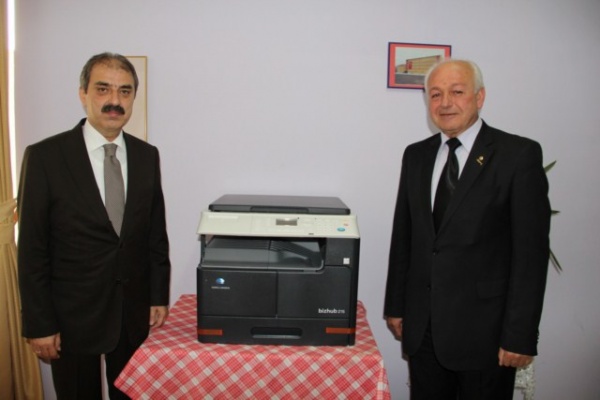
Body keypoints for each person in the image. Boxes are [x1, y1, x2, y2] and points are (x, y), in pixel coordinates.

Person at [384, 59, 551, 399]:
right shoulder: (416, 155)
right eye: (435, 94)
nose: (445, 103)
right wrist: (396, 306)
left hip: (486, 334)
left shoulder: (517, 155)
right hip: (424, 329)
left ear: (479, 97)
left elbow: (530, 256)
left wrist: (519, 336)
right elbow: (404, 236)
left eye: (457, 92)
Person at [17, 52, 171, 399]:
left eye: (125, 91)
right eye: (103, 89)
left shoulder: (147, 156)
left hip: (132, 315)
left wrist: (157, 296)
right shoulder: (45, 157)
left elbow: (154, 235)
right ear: (83, 94)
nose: (115, 100)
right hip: (70, 319)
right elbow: (32, 250)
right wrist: (39, 324)